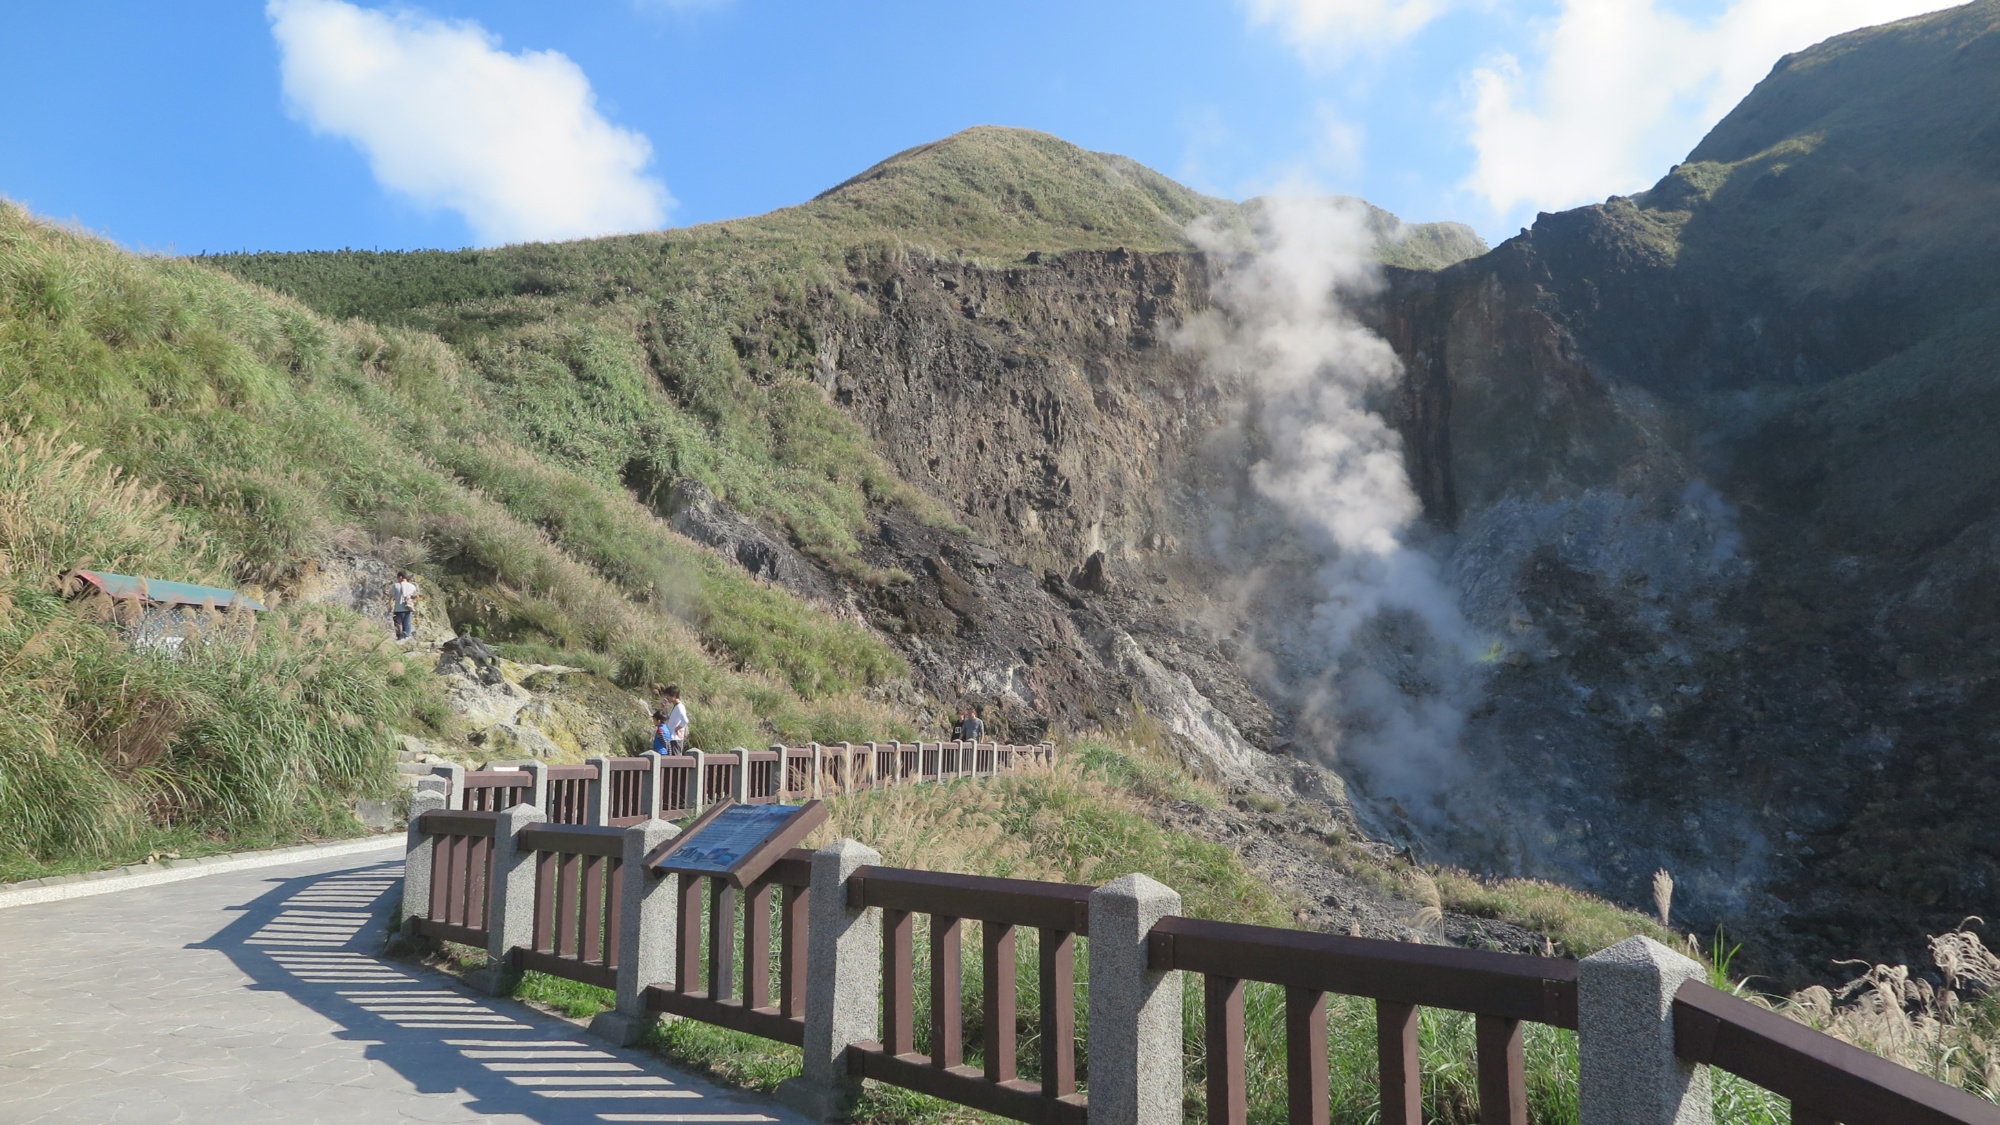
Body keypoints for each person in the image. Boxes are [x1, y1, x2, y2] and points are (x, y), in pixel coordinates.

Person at [390, 572, 420, 641]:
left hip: (398, 608)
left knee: (397, 624)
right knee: (407, 623)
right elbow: (416, 596)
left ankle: (399, 637)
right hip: (408, 608)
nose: (397, 579)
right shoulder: (412, 586)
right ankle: (406, 637)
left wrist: (389, 604)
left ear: (400, 577)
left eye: (397, 577)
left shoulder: (396, 585)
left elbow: (391, 596)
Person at [661, 685, 690, 752]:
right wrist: (663, 708)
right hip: (672, 738)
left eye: (668, 696)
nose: (667, 698)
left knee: (676, 761)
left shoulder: (679, 707)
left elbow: (685, 720)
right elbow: (669, 719)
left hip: (675, 739)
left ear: (673, 696)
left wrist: (677, 728)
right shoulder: (676, 706)